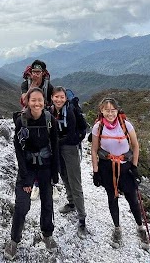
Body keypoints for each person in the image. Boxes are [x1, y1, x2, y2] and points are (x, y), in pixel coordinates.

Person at [4, 87, 59, 260]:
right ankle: (14, 240)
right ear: (27, 102)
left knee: (47, 203)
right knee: (22, 205)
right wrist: (25, 177)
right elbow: (18, 150)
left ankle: (47, 234)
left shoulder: (50, 120)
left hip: (46, 166)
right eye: (33, 100)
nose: (37, 103)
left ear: (45, 102)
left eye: (40, 100)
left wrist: (55, 173)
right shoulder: (22, 121)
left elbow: (55, 146)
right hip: (27, 166)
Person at [90, 97, 148, 249]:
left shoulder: (125, 125)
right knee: (112, 198)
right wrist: (95, 171)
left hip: (125, 167)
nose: (110, 113)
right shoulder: (98, 127)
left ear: (117, 110)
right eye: (106, 110)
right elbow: (94, 150)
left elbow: (135, 146)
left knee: (132, 199)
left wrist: (134, 167)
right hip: (106, 168)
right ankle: (117, 228)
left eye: (113, 110)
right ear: (101, 111)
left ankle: (140, 227)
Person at [50, 86, 87, 238]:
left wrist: (59, 142)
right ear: (52, 97)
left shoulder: (70, 112)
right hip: (58, 148)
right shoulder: (51, 110)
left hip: (70, 149)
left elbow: (72, 135)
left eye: (61, 97)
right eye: (56, 97)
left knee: (75, 181)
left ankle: (82, 219)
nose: (59, 99)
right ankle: (71, 203)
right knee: (64, 177)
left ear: (65, 98)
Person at [20, 59, 54, 200]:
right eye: (34, 72)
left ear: (43, 73)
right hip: (29, 119)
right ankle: (35, 182)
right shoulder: (25, 84)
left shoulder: (48, 86)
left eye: (38, 72)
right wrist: (31, 88)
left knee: (47, 149)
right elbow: (23, 100)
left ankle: (49, 182)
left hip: (45, 119)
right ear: (30, 72)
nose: (36, 75)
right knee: (31, 149)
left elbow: (52, 103)